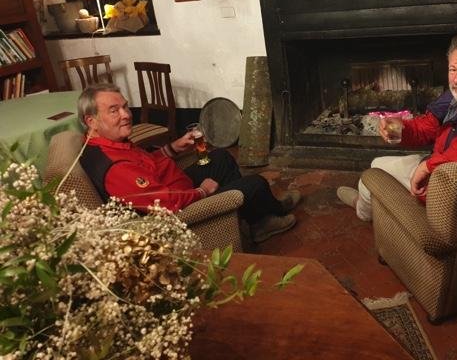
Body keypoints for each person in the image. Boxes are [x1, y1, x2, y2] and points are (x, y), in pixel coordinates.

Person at [77, 83, 300, 243]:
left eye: (125, 107)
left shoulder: (108, 143)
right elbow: (165, 204)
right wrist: (202, 192)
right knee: (255, 183)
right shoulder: (114, 168)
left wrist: (173, 148)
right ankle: (266, 215)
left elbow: (146, 164)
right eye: (114, 111)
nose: (126, 114)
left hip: (176, 186)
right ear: (91, 121)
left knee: (221, 158)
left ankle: (252, 218)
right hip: (182, 208)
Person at [337, 33, 457, 221]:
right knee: (376, 164)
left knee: (371, 175)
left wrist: (427, 167)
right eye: (452, 69)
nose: (456, 80)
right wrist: (400, 128)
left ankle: (363, 210)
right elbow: (428, 126)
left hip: (450, 184)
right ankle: (376, 208)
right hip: (439, 163)